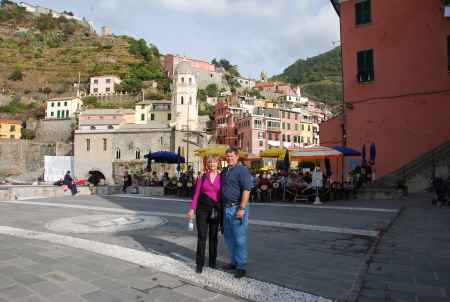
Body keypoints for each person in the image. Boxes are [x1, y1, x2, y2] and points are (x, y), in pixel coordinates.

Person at [187, 154, 223, 274]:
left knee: (213, 236)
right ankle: (199, 263)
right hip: (202, 208)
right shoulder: (202, 177)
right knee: (202, 236)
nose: (212, 164)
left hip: (215, 208)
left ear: (218, 164)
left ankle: (212, 261)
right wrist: (192, 210)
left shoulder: (222, 177)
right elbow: (196, 194)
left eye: (214, 162)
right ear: (207, 164)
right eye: (210, 162)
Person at [221, 147, 253, 278]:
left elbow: (247, 190)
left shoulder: (242, 170)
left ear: (237, 157)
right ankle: (234, 261)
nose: (229, 158)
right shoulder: (225, 170)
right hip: (225, 208)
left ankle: (241, 266)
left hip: (237, 208)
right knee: (229, 237)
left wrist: (242, 208)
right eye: (227, 156)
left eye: (232, 156)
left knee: (240, 239)